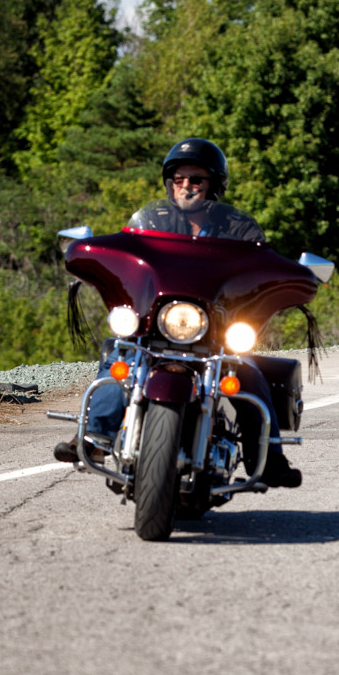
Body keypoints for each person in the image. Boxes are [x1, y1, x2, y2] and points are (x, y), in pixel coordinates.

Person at [54, 137, 301, 488]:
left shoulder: (238, 230)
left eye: (196, 180)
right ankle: (94, 439)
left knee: (251, 374)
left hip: (214, 330)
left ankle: (271, 457)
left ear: (213, 185)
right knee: (120, 354)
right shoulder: (151, 221)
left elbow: (263, 263)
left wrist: (292, 272)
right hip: (158, 322)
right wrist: (92, 250)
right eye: (179, 179)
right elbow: (126, 248)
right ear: (169, 184)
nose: (186, 187)